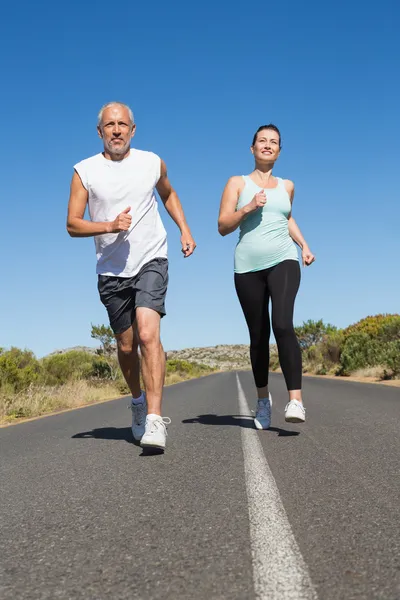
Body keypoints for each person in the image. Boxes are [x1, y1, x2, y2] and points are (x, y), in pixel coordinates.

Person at [67, 102, 196, 449]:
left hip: (151, 257)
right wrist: (109, 225)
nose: (117, 130)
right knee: (127, 346)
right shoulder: (85, 171)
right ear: (100, 132)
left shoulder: (152, 162)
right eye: (110, 125)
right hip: (111, 271)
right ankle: (137, 401)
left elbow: (168, 194)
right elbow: (72, 223)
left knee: (148, 332)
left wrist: (183, 228)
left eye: (123, 124)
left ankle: (155, 419)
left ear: (133, 130)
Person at [218, 124, 315, 429]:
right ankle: (262, 401)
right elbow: (223, 225)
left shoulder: (287, 186)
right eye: (262, 141)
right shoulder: (237, 182)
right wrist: (247, 207)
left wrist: (304, 245)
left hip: (283, 259)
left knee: (283, 324)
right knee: (258, 336)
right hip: (247, 266)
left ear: (279, 151)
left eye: (274, 142)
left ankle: (295, 400)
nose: (268, 145)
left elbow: (285, 218)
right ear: (252, 148)